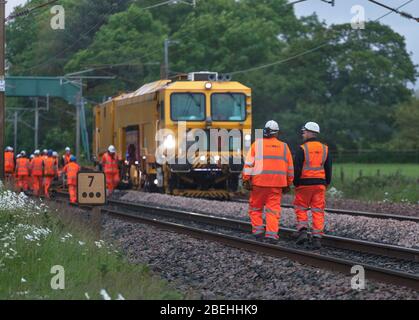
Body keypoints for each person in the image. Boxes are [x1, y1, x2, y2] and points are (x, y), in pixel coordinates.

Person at [242, 120, 294, 243]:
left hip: (259, 183)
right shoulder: (284, 147)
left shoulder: (256, 145)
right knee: (273, 210)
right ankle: (271, 235)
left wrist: (246, 179)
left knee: (255, 208)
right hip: (277, 184)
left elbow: (249, 164)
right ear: (277, 133)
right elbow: (290, 168)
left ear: (265, 131)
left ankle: (258, 231)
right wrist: (289, 182)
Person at [293, 122, 332, 249]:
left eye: (304, 132)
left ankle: (303, 231)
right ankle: (317, 238)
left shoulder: (302, 148)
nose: (303, 134)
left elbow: (297, 168)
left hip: (304, 184)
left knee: (301, 207)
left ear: (310, 132)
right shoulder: (325, 148)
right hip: (320, 184)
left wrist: (296, 182)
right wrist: (326, 182)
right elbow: (328, 168)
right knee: (318, 210)